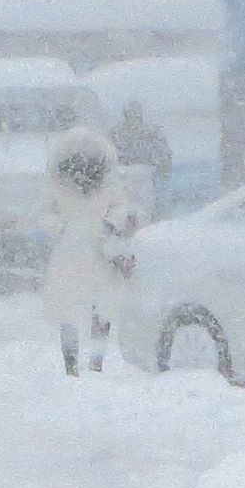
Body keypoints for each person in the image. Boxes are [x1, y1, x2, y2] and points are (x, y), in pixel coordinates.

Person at [43, 123, 142, 376]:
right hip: (72, 255)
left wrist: (110, 223)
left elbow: (122, 208)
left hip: (97, 254)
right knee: (71, 310)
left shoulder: (107, 187)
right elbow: (43, 215)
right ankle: (72, 364)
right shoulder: (58, 188)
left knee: (99, 308)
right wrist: (60, 226)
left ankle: (96, 363)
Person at [110, 99, 173, 218]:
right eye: (130, 115)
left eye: (136, 115)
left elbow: (164, 153)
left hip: (146, 177)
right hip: (123, 178)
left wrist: (163, 169)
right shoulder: (115, 133)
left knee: (149, 206)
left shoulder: (152, 132)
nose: (133, 119)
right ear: (125, 115)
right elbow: (108, 155)